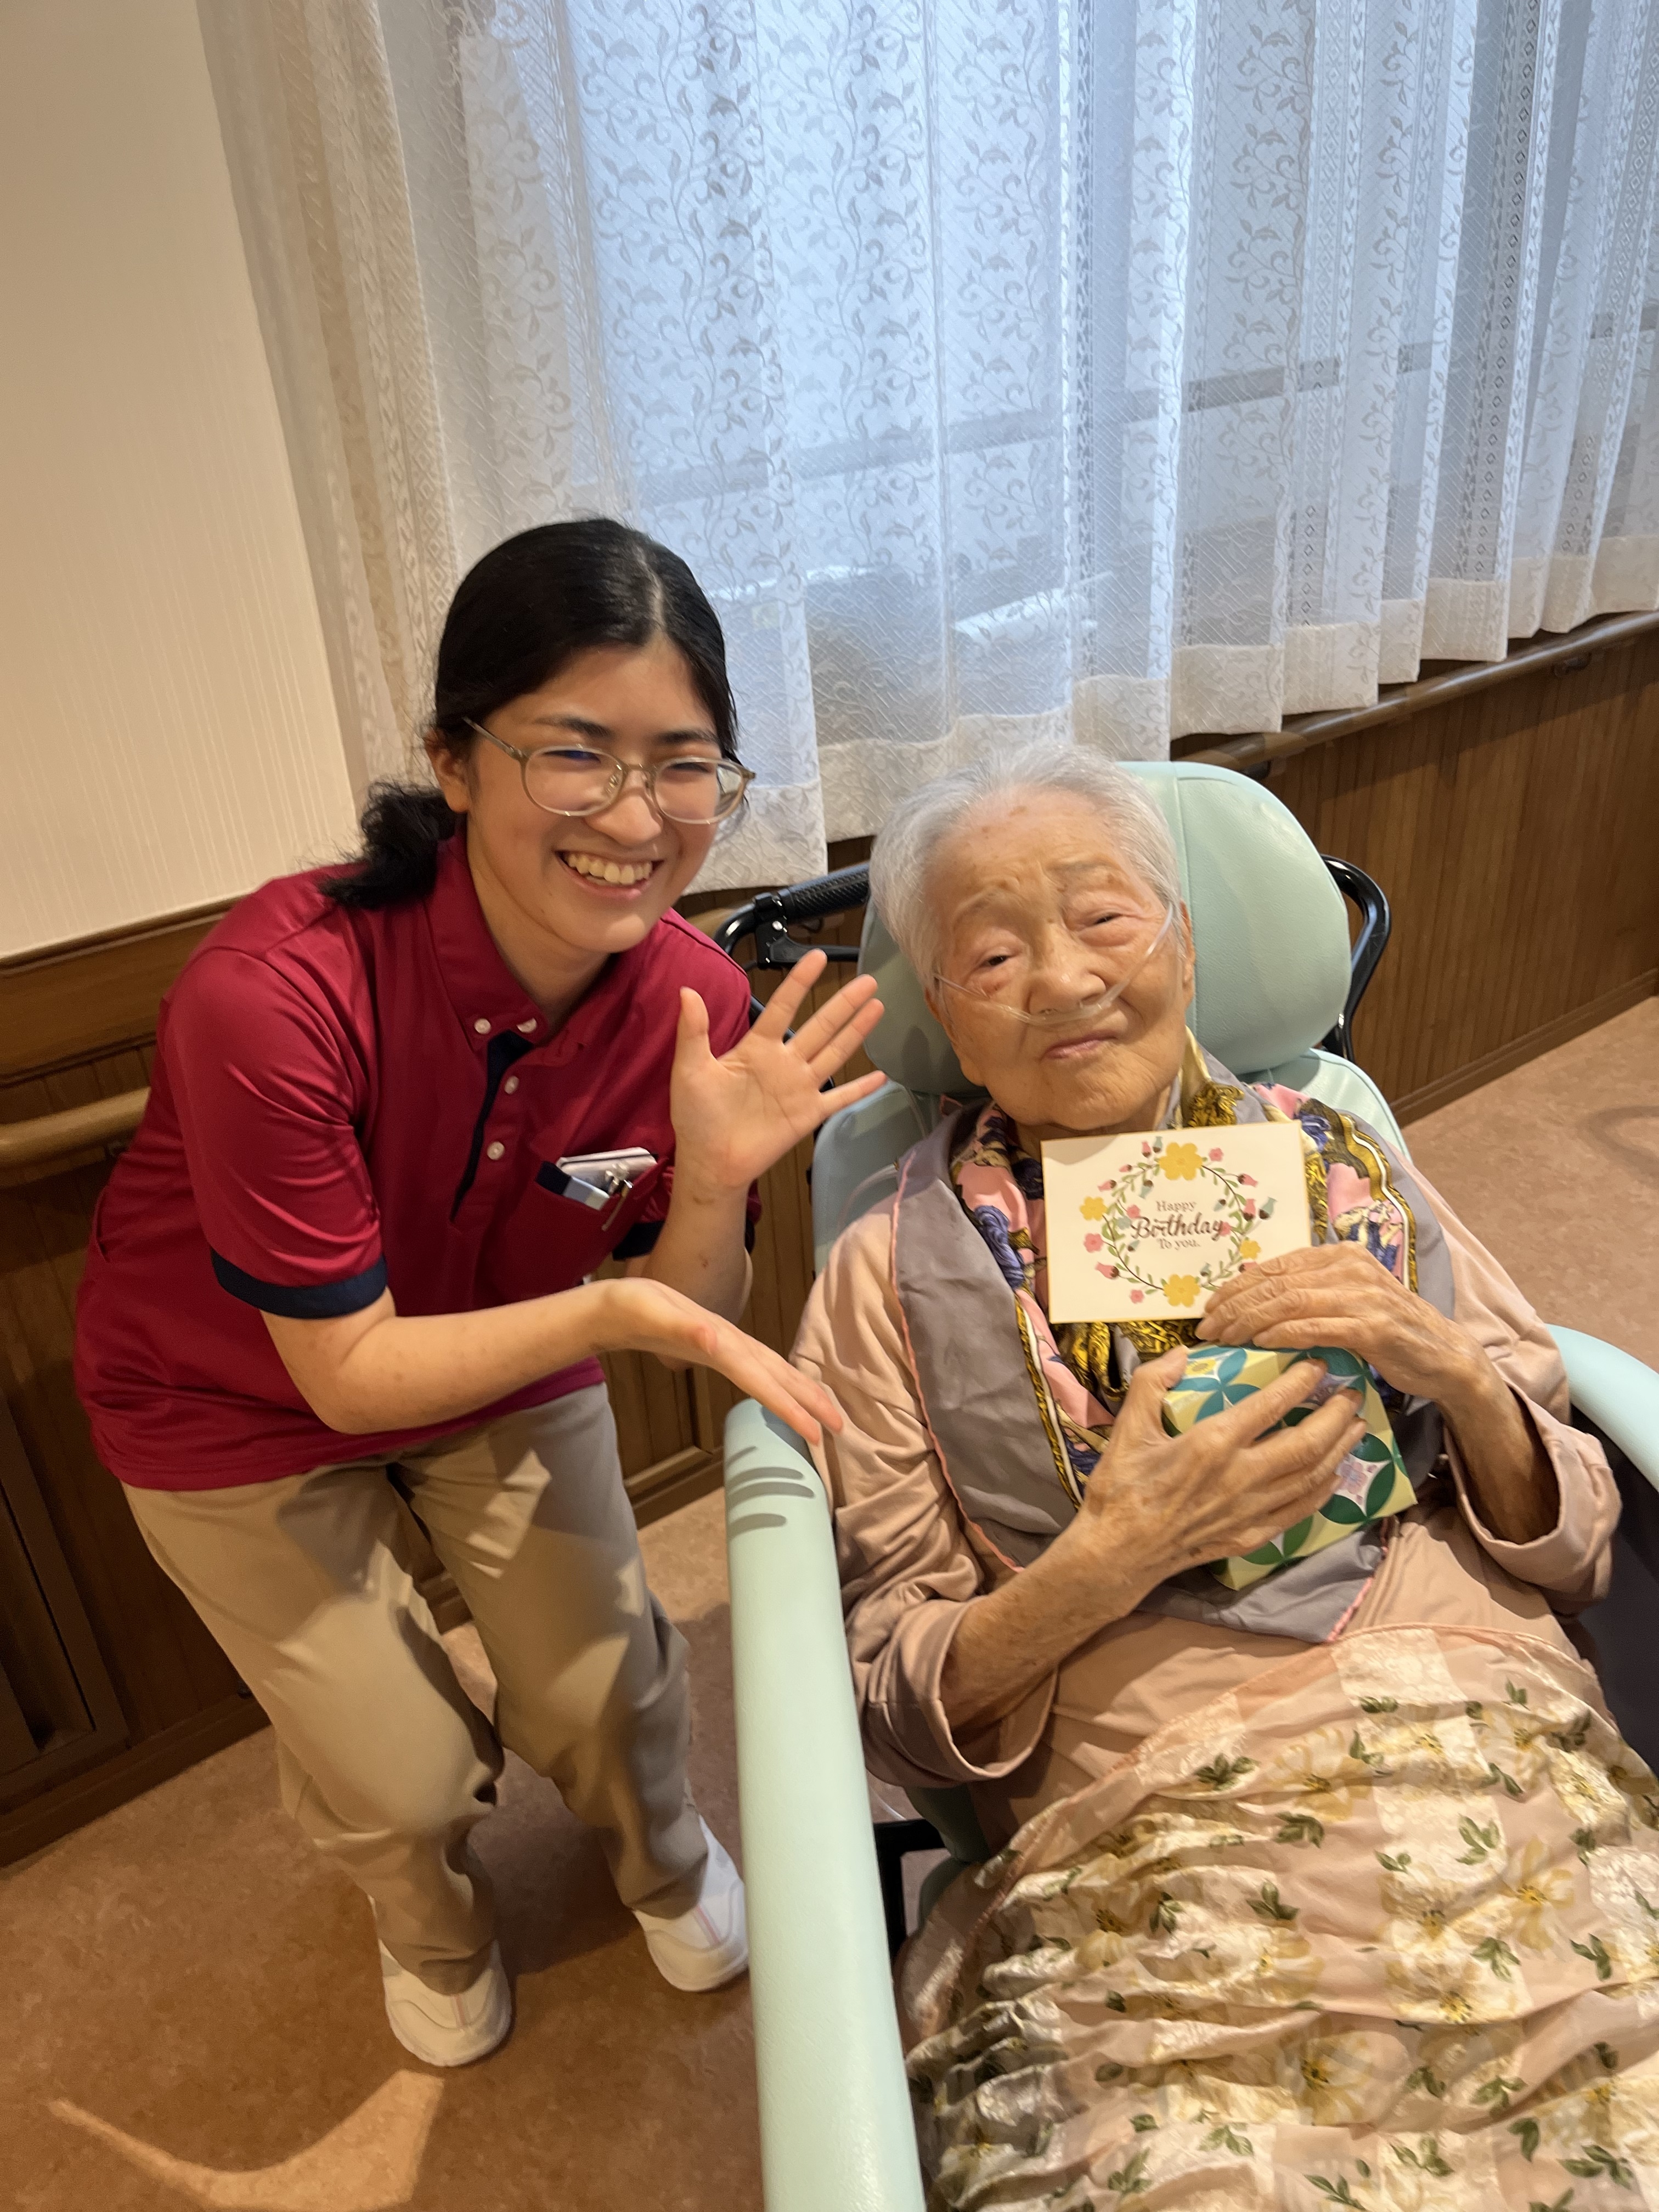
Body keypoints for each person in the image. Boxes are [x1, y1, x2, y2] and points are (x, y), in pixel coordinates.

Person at [790, 741, 1658, 2208]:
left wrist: (1452, 1370)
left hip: (1480, 1747)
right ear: (951, 1019)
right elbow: (896, 1700)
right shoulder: (884, 1275)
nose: (1064, 978)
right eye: (994, 955)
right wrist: (1107, 1557)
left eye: (1106, 918)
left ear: (1186, 950)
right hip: (1155, 1824)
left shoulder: (1349, 1165)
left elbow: (1574, 1544)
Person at [75, 518, 884, 2067]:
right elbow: (351, 1378)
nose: (635, 819)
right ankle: (431, 1924)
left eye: (684, 765)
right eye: (574, 755)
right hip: (226, 1396)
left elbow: (692, 1299)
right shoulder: (276, 994)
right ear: (453, 760)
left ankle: (661, 1856)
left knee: (607, 1686)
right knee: (393, 1774)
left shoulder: (696, 1000)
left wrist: (707, 1188)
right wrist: (614, 1313)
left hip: (508, 1342)